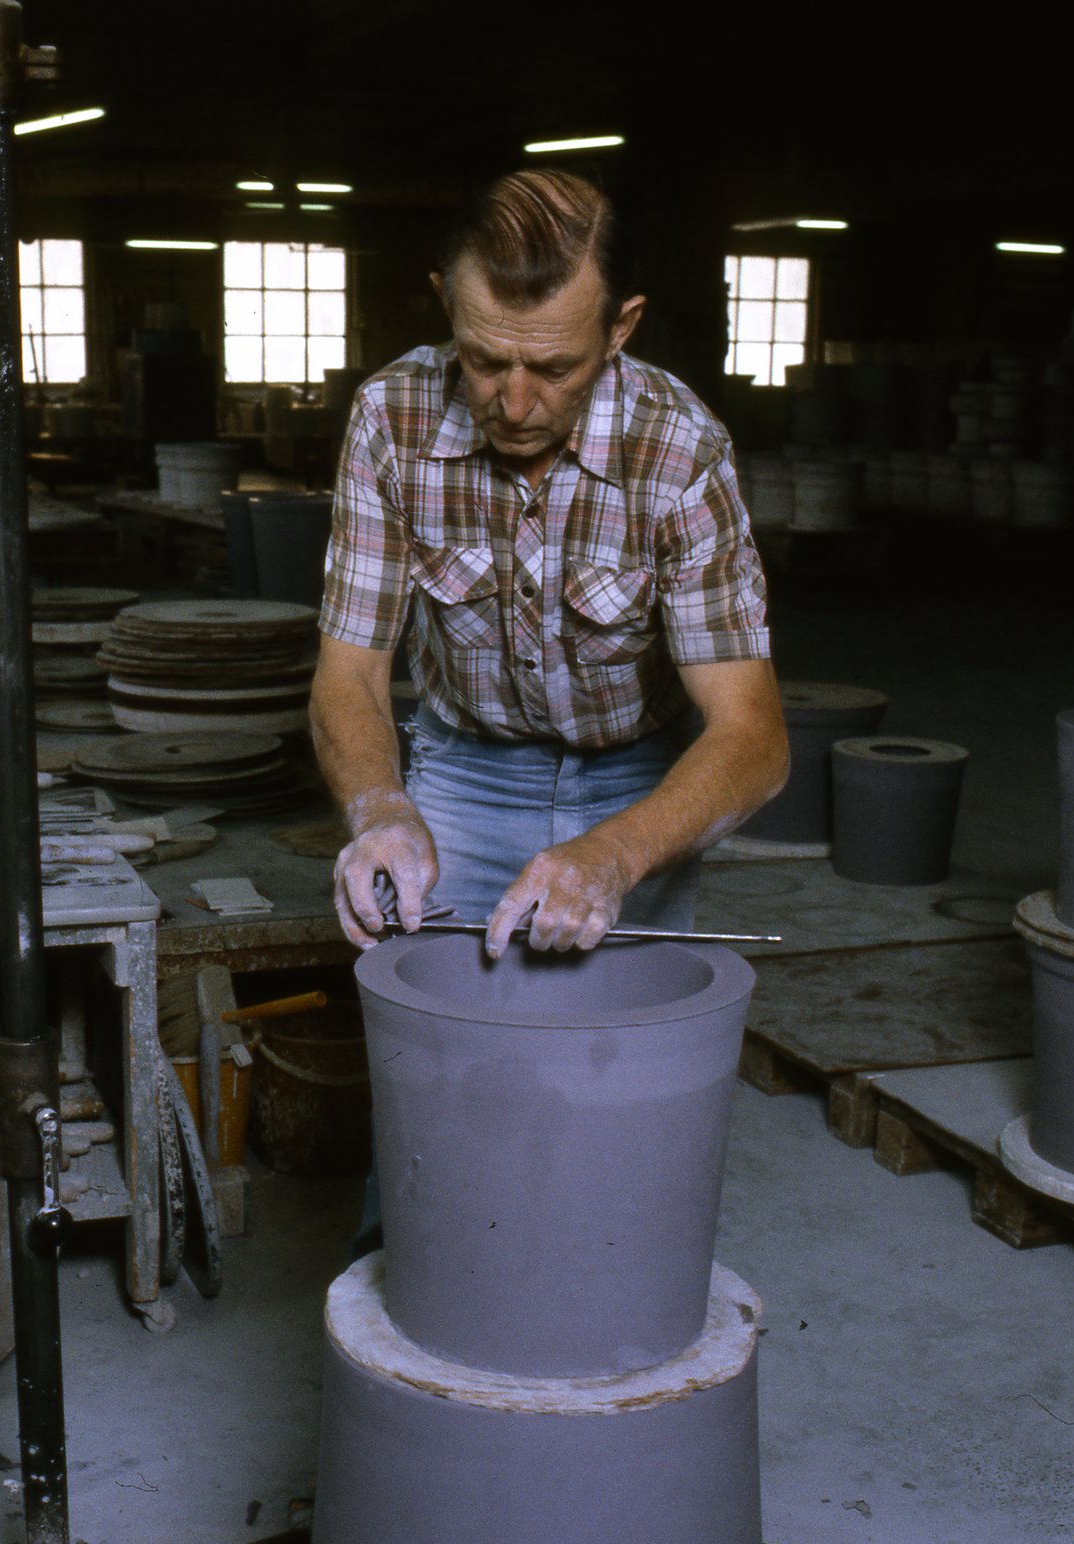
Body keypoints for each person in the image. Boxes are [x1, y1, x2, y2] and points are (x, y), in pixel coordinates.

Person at [311, 168, 789, 962]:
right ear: (445, 303)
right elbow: (349, 674)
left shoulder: (680, 449)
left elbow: (753, 735)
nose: (514, 402)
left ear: (621, 327)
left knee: (628, 1046)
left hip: (638, 785)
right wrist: (381, 812)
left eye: (555, 368)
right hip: (462, 773)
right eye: (484, 360)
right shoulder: (389, 421)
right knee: (445, 1039)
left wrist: (614, 856)